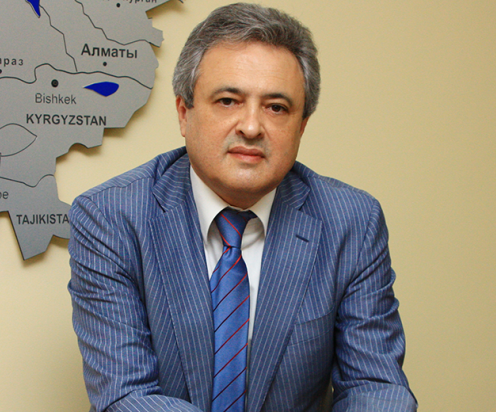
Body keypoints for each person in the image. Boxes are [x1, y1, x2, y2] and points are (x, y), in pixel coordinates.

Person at [68, 3, 417, 411]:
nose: (251, 127)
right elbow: (126, 396)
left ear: (302, 126)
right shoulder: (110, 217)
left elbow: (375, 386)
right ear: (184, 113)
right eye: (228, 101)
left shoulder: (351, 222)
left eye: (276, 108)